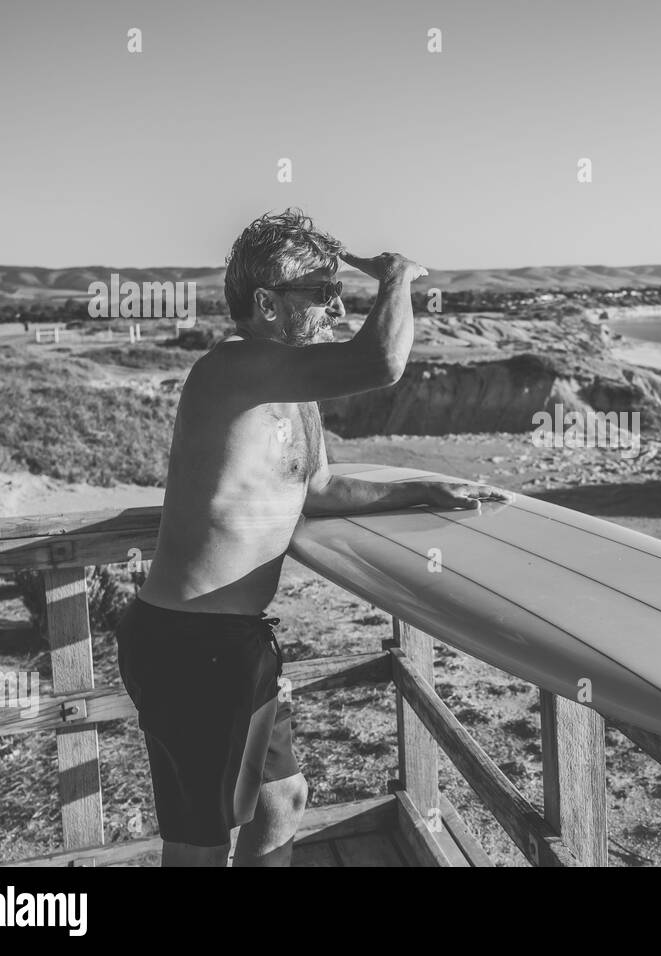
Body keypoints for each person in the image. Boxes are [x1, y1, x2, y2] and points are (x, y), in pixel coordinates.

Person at [117, 208, 508, 866]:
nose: (334, 304)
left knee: (282, 801)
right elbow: (383, 360)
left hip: (237, 642)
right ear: (266, 303)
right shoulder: (233, 369)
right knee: (199, 847)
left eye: (339, 291)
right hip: (190, 644)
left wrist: (417, 491)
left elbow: (318, 487)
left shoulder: (294, 390)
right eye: (319, 292)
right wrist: (397, 278)